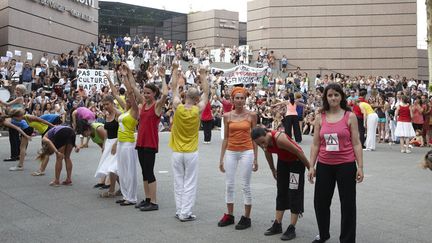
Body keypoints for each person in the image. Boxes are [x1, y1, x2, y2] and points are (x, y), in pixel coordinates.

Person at [308, 83, 364, 243]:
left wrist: (360, 167)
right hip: (325, 165)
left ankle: (347, 239)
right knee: (320, 202)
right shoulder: (320, 117)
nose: (333, 98)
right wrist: (312, 165)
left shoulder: (349, 116)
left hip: (346, 165)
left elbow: (356, 143)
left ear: (341, 97)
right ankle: (323, 234)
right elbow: (316, 144)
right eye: (330, 95)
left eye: (336, 95)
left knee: (347, 204)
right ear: (326, 97)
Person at [251, 127, 310, 241]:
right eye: (259, 144)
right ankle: (277, 224)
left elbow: (299, 151)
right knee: (281, 191)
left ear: (267, 133)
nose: (262, 145)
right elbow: (267, 153)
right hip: (283, 162)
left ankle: (292, 227)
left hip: (296, 163)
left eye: (263, 142)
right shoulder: (263, 142)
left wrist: (310, 167)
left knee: (294, 192)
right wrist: (273, 169)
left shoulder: (279, 138)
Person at [169, 66, 209, 222]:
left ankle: (180, 210)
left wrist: (174, 71)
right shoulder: (198, 109)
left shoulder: (178, 106)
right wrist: (203, 75)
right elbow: (206, 92)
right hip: (191, 151)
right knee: (190, 182)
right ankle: (185, 212)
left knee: (178, 181)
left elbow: (173, 88)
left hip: (177, 152)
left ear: (185, 95)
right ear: (197, 99)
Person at [218, 86, 258, 230]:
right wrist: (221, 158)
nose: (240, 100)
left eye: (242, 98)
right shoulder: (227, 116)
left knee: (245, 185)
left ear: (245, 100)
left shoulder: (251, 115)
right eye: (237, 98)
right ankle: (230, 215)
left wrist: (256, 158)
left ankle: (246, 218)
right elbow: (226, 138)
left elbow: (255, 138)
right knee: (229, 184)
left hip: (247, 150)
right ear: (233, 100)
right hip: (231, 151)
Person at [135, 67, 168, 211]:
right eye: (144, 93)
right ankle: (147, 199)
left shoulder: (156, 106)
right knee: (144, 172)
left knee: (149, 171)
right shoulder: (143, 104)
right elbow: (133, 90)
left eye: (148, 93)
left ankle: (154, 202)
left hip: (150, 143)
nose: (146, 95)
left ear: (154, 93)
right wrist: (128, 75)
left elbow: (165, 94)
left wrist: (162, 77)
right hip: (141, 142)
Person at [108, 64, 139, 206]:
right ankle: (126, 194)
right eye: (125, 97)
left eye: (128, 98)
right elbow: (115, 94)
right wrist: (111, 79)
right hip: (121, 143)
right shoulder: (125, 111)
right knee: (122, 170)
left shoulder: (134, 111)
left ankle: (131, 197)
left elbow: (131, 93)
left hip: (128, 144)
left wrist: (126, 76)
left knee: (129, 171)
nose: (126, 99)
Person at [0, 84, 26, 162]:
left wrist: (1, 100)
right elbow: (9, 107)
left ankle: (14, 155)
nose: (16, 91)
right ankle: (17, 154)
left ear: (21, 91)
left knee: (13, 137)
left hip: (15, 119)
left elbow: (7, 104)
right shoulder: (18, 98)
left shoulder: (20, 98)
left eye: (18, 90)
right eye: (16, 90)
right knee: (15, 137)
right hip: (15, 118)